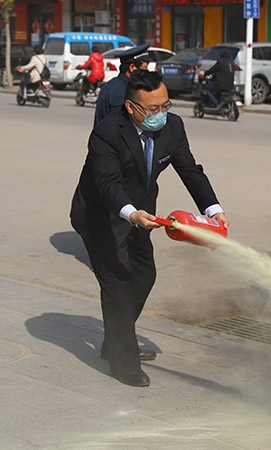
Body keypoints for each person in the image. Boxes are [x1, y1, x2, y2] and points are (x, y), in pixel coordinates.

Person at [70, 70, 229, 387]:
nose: (161, 114)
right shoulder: (106, 134)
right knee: (118, 283)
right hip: (104, 214)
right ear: (131, 107)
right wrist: (130, 214)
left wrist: (213, 210)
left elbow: (189, 169)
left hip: (144, 214)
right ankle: (123, 363)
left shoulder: (174, 126)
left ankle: (115, 340)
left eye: (165, 105)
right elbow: (107, 184)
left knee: (144, 275)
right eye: (152, 109)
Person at [94, 42, 152, 126]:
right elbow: (121, 127)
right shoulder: (123, 93)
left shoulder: (113, 85)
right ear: (132, 68)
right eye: (145, 67)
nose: (147, 71)